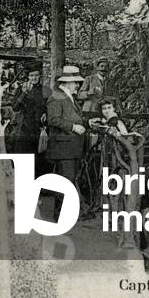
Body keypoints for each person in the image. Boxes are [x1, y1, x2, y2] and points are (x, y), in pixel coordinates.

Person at [46, 65, 87, 216]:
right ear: (66, 83)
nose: (77, 85)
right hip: (63, 148)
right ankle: (60, 215)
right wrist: (73, 127)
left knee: (68, 180)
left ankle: (64, 213)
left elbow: (75, 117)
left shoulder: (69, 97)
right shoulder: (56, 97)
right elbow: (53, 120)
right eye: (75, 82)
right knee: (65, 181)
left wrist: (87, 123)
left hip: (70, 147)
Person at [7, 67, 45, 154]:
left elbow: (46, 106)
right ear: (28, 77)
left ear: (40, 76)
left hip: (37, 128)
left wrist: (45, 113)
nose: (34, 78)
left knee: (36, 155)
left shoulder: (43, 90)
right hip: (23, 127)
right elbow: (15, 107)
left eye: (36, 75)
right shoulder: (21, 89)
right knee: (22, 151)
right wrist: (24, 93)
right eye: (31, 75)